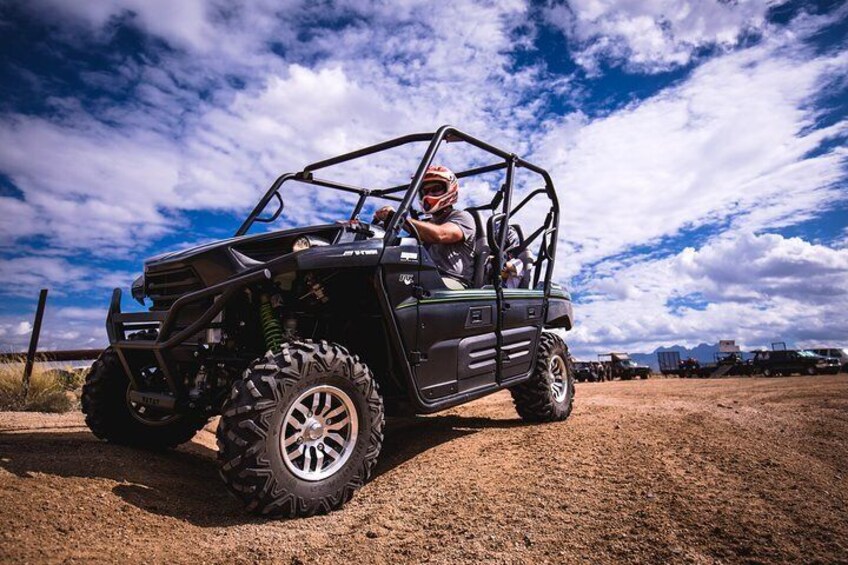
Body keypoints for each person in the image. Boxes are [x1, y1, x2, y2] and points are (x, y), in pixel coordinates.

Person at [373, 165, 476, 289]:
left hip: (452, 281)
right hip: (423, 274)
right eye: (425, 191)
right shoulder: (425, 224)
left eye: (435, 189)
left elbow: (441, 234)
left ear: (450, 189)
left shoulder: (462, 217)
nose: (429, 194)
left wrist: (396, 217)